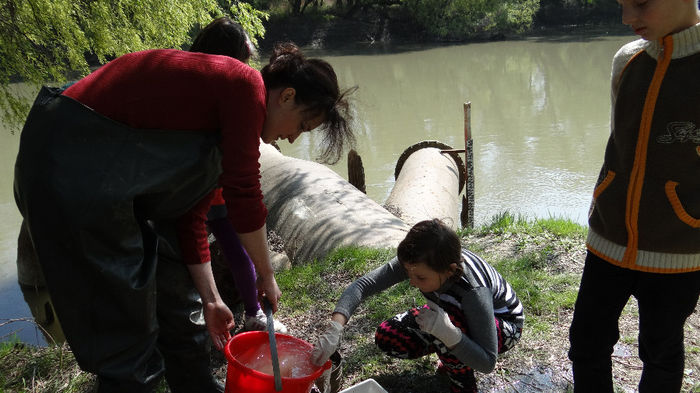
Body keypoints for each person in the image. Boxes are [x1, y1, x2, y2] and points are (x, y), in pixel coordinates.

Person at [13, 37, 354, 392]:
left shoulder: (218, 127)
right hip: (69, 165)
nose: (293, 139)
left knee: (181, 301)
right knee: (127, 335)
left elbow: (189, 218)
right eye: (302, 126)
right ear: (286, 97)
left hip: (105, 180)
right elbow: (244, 194)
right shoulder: (243, 85)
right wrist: (265, 275)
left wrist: (212, 299)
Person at [568, 1, 700, 392]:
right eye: (622, 4)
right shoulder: (627, 59)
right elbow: (621, 143)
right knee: (586, 343)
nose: (627, 18)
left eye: (641, 3)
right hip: (608, 239)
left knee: (660, 352)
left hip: (680, 249)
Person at [311, 219, 524, 393]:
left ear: (449, 270)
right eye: (408, 273)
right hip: (451, 315)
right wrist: (335, 328)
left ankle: (463, 383)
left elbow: (487, 362)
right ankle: (453, 354)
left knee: (448, 326)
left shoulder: (472, 292)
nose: (412, 282)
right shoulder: (417, 262)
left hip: (503, 326)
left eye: (420, 278)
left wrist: (450, 335)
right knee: (389, 335)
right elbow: (363, 286)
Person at [190, 16, 287, 333]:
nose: (249, 67)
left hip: (217, 190)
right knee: (191, 248)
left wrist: (266, 271)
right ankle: (204, 318)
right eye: (245, 58)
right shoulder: (226, 85)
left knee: (235, 248)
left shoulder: (215, 82)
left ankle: (251, 312)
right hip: (196, 188)